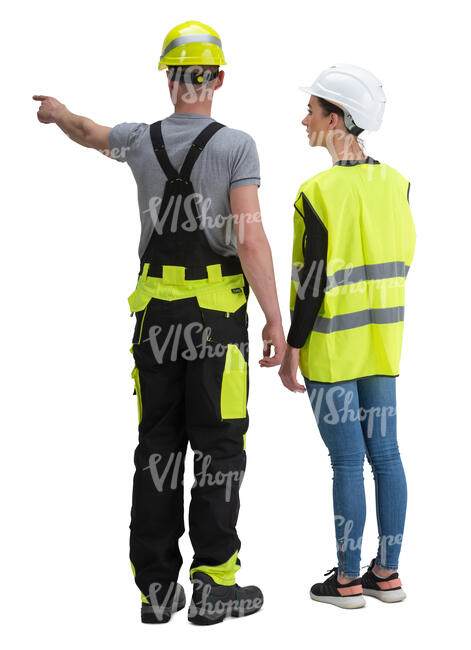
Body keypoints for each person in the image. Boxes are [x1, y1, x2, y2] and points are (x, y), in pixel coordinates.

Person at [33, 20, 285, 625]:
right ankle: (213, 584)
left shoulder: (140, 140)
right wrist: (277, 319)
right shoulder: (237, 145)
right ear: (217, 78)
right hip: (216, 322)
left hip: (154, 322)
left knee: (158, 449)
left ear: (169, 78)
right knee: (219, 448)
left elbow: (88, 133)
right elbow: (249, 239)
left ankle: (157, 590)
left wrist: (58, 113)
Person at [279, 64, 416, 609]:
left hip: (333, 349)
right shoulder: (397, 184)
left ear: (335, 119)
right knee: (386, 455)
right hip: (383, 344)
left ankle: (348, 581)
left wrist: (292, 348)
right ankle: (389, 574)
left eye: (312, 111)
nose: (304, 119)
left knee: (346, 463)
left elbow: (311, 286)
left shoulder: (316, 193)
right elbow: (402, 261)